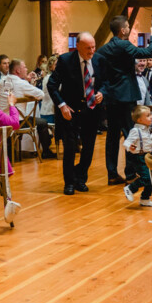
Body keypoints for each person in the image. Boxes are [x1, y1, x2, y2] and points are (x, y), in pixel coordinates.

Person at [98, 14, 152, 185]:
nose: (129, 28)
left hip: (111, 97)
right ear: (122, 30)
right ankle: (131, 173)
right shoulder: (124, 45)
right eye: (127, 26)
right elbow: (148, 52)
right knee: (131, 133)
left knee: (112, 136)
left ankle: (112, 174)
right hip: (126, 96)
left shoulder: (103, 50)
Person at [47, 32, 104, 195]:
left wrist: (102, 93)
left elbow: (107, 82)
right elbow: (52, 85)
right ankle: (69, 182)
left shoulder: (99, 60)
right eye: (88, 48)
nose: (91, 51)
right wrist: (62, 105)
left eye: (93, 47)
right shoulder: (65, 60)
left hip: (91, 109)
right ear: (77, 46)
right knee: (70, 148)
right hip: (70, 111)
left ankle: (80, 178)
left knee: (89, 147)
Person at [1, 58, 54, 158]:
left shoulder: (2, 81)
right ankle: (46, 151)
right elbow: (41, 94)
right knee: (43, 123)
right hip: (18, 121)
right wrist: (28, 94)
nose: (27, 69)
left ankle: (9, 153)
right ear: (18, 70)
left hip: (3, 120)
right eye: (24, 67)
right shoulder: (21, 83)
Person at [122, 105, 152, 207]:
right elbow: (126, 142)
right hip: (139, 157)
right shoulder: (135, 131)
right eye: (148, 116)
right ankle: (130, 188)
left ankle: (145, 198)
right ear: (140, 120)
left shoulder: (146, 129)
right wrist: (130, 146)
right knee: (146, 177)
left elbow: (150, 139)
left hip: (148, 156)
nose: (151, 117)